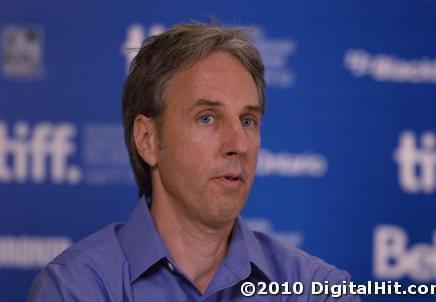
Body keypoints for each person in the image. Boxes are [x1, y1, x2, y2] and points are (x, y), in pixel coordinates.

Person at [28, 22, 360, 301]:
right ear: (148, 140)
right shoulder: (77, 288)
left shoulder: (318, 289)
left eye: (248, 120)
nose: (239, 144)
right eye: (207, 118)